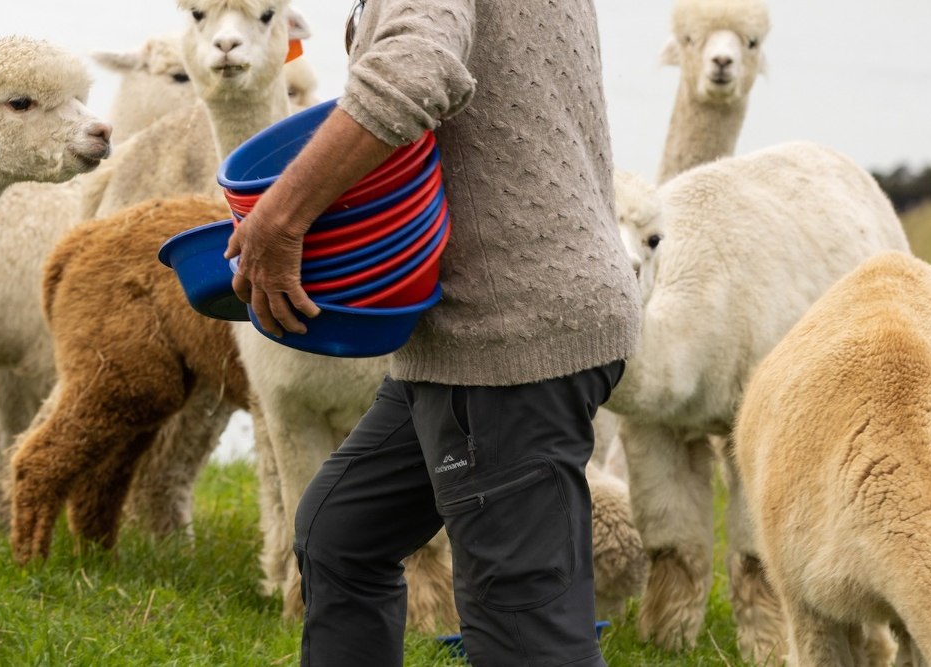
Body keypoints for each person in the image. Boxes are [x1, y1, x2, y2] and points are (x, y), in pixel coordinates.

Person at [225, 0, 640, 664]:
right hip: (490, 328)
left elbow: (416, 69)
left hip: (504, 338)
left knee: (522, 629)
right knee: (341, 533)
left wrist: (280, 218)